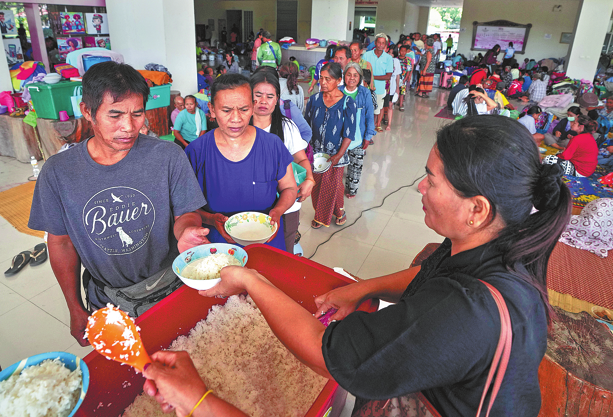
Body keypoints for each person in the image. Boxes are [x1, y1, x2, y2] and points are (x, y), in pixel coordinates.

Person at [142, 115, 572, 417]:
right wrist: (363, 288)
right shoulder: (502, 242)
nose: (420, 187)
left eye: (432, 179)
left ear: (477, 209)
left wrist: (249, 282)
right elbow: (430, 274)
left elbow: (326, 352)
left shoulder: (465, 312)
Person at [28, 62, 210, 345]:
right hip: (107, 301)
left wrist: (186, 231)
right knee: (127, 367)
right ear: (87, 111)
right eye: (115, 115)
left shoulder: (167, 156)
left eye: (137, 114)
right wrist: (74, 306)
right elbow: (61, 242)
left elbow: (186, 212)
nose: (129, 127)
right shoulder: (58, 172)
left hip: (171, 288)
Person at [185, 74, 297, 251]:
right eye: (226, 110)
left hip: (267, 243)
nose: (236, 118)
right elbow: (185, 207)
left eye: (244, 109)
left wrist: (278, 211)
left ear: (253, 107)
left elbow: (289, 188)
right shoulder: (196, 152)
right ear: (212, 109)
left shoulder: (272, 145)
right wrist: (210, 219)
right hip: (217, 247)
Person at [250, 68, 314, 253]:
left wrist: (309, 179)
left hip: (285, 207)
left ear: (277, 99)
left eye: (270, 96)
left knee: (282, 252)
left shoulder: (287, 127)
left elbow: (301, 159)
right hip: (250, 205)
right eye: (258, 95)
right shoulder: (238, 127)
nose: (263, 101)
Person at [305, 62, 357, 228]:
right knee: (316, 186)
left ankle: (330, 214)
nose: (323, 82)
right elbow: (306, 125)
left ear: (338, 81)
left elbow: (349, 133)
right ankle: (329, 212)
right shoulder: (314, 100)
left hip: (336, 154)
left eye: (328, 79)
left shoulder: (347, 103)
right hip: (315, 154)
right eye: (321, 78)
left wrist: (339, 155)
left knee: (332, 186)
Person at [340, 62, 375, 199]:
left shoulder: (365, 92)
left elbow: (370, 115)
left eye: (355, 75)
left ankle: (352, 189)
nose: (352, 78)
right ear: (344, 76)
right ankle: (337, 188)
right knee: (338, 164)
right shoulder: (338, 91)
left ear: (360, 77)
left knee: (356, 165)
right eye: (349, 74)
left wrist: (368, 136)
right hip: (340, 136)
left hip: (359, 136)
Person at [363, 33, 393, 132]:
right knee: (366, 108)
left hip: (379, 88)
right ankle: (367, 127)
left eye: (383, 43)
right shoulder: (367, 55)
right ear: (375, 43)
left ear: (385, 45)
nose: (380, 45)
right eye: (379, 42)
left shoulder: (388, 58)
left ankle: (374, 126)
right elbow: (362, 71)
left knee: (377, 109)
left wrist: (372, 77)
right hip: (366, 87)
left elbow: (388, 76)